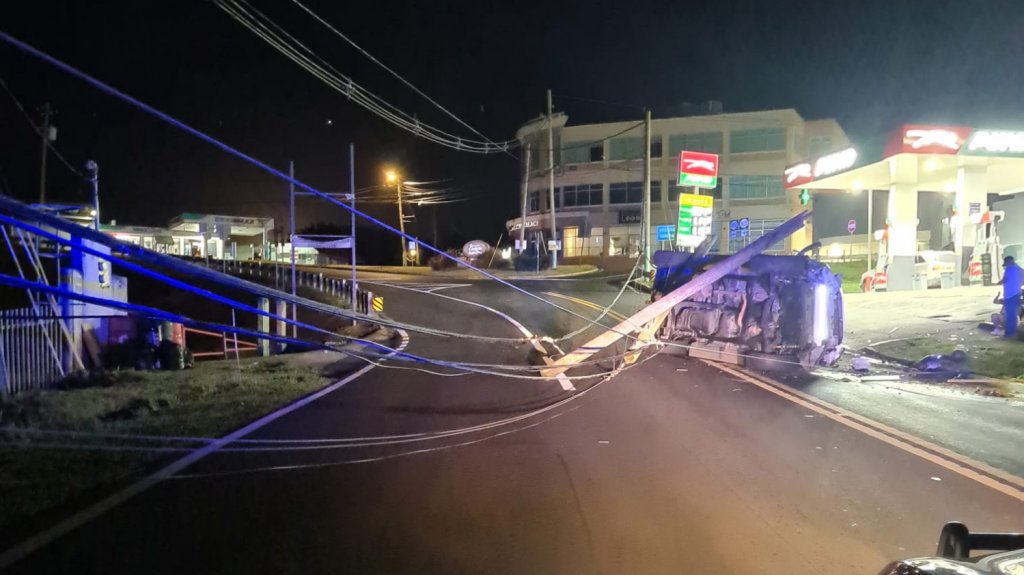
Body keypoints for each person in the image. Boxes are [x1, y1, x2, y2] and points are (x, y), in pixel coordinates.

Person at [1001, 255, 1022, 339]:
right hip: (1010, 294)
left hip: (1012, 295)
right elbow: (1005, 279)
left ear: (1010, 261)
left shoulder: (1015, 269)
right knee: (1009, 315)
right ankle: (1009, 333)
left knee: (1010, 315)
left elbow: (1004, 280)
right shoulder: (1010, 269)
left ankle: (1010, 334)